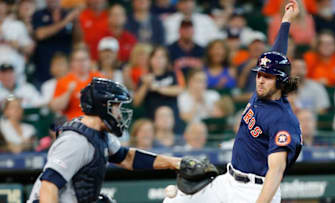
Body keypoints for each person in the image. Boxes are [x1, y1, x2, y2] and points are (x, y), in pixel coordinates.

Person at [164, 1, 302, 202]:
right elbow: (277, 52)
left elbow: (276, 171)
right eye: (259, 74)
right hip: (228, 180)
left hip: (255, 190)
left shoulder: (283, 119)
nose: (260, 79)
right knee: (175, 200)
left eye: (267, 76)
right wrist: (286, 21)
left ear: (281, 81)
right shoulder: (262, 94)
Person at [27, 77, 183, 203]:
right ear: (102, 107)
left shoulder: (99, 133)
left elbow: (127, 158)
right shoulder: (75, 142)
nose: (120, 114)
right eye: (116, 107)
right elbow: (48, 187)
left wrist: (175, 163)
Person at [32, 0, 80, 84]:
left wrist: (76, 23)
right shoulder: (39, 14)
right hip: (43, 69)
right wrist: (66, 21)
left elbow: (78, 40)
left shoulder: (67, 13)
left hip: (65, 67)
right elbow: (40, 34)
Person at [49, 46, 103, 119]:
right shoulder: (64, 81)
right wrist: (68, 92)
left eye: (84, 59)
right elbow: (54, 107)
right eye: (78, 60)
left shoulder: (99, 78)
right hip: (74, 123)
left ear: (90, 61)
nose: (81, 63)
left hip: (96, 121)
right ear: (72, 63)